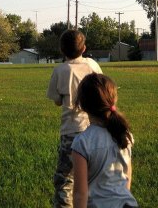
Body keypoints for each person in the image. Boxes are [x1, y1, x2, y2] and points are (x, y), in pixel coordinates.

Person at [47, 29, 103, 208]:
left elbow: (56, 101)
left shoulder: (60, 70)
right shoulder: (92, 65)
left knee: (65, 180)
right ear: (84, 48)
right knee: (93, 178)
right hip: (95, 129)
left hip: (71, 132)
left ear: (62, 50)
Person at [71, 73, 139, 208]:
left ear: (82, 105)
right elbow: (127, 179)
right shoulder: (125, 135)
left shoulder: (82, 142)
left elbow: (80, 193)